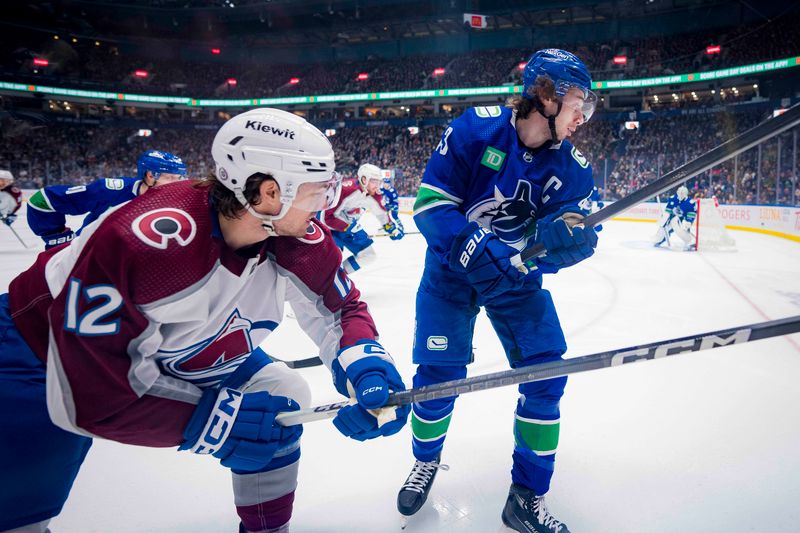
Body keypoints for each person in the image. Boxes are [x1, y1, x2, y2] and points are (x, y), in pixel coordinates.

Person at [0, 108, 409, 533]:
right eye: (316, 190)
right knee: (20, 517)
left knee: (280, 392)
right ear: (270, 193)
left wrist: (365, 365)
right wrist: (213, 423)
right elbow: (91, 392)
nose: (325, 202)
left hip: (176, 343)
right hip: (40, 354)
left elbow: (340, 309)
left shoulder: (296, 236)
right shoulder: (138, 243)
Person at [396, 48, 600, 533]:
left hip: (515, 278)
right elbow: (429, 204)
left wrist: (565, 240)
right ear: (546, 95)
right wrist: (471, 246)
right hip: (451, 272)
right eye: (577, 104)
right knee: (436, 377)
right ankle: (425, 460)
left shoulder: (574, 167)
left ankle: (526, 495)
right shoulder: (474, 130)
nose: (581, 118)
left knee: (547, 374)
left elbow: (581, 230)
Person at [26, 149, 187, 249]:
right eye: (169, 177)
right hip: (83, 263)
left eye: (178, 178)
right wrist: (57, 238)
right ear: (150, 175)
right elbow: (42, 200)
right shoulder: (110, 190)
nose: (176, 183)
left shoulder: (179, 201)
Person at [321, 163, 404, 274]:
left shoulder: (375, 194)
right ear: (364, 179)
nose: (377, 185)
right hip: (330, 229)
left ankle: (339, 276)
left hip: (348, 229)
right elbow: (326, 218)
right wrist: (351, 227)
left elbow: (382, 215)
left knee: (369, 256)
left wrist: (392, 228)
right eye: (374, 181)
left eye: (379, 182)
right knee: (333, 259)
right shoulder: (346, 190)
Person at [652, 185, 696, 251]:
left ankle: (690, 240)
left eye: (682, 193)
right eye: (679, 193)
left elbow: (691, 214)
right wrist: (664, 220)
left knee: (681, 227)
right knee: (664, 226)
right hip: (672, 218)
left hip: (683, 220)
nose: (681, 195)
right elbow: (668, 211)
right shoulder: (673, 198)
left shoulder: (690, 202)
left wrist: (688, 221)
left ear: (686, 193)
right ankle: (659, 239)